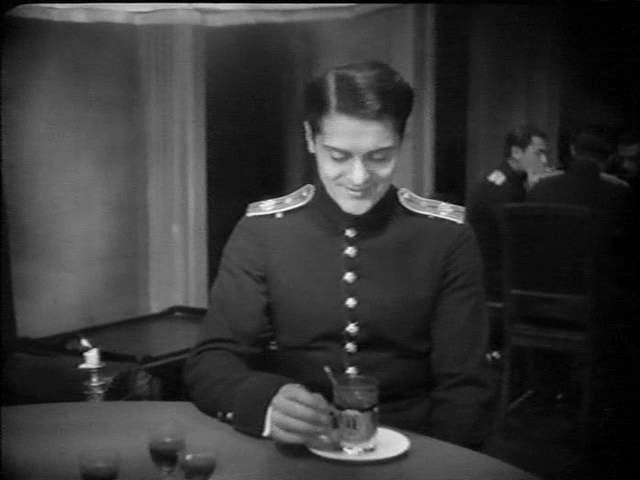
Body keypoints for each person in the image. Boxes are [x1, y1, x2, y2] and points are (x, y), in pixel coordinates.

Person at [184, 61, 495, 451]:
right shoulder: (261, 232)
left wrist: (439, 463)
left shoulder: (447, 237)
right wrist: (264, 403)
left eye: (380, 157)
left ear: (402, 141)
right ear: (310, 139)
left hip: (413, 445)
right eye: (338, 156)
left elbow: (465, 387)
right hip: (295, 447)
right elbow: (212, 359)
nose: (359, 177)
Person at [466, 124, 554, 302]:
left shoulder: (513, 182)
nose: (544, 161)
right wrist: (537, 192)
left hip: (503, 271)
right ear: (516, 152)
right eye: (538, 153)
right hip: (495, 278)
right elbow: (521, 237)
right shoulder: (500, 189)